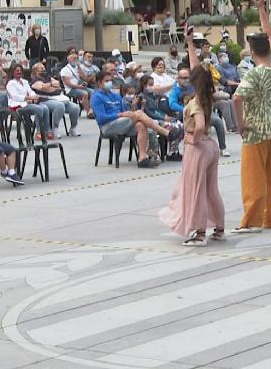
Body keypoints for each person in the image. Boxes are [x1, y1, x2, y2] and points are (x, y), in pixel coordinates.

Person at [159, 37, 225, 246]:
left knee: (195, 190)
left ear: (194, 81)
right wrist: (190, 45)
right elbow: (199, 70)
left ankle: (199, 233)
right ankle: (219, 228)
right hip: (211, 145)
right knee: (211, 189)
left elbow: (198, 125)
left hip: (198, 146)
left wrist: (193, 140)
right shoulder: (206, 96)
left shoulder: (196, 102)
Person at [231, 0, 271, 233]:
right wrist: (262, 9)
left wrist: (240, 124)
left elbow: (236, 98)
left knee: (254, 177)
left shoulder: (253, 75)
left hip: (255, 129)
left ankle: (252, 219)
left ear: (251, 52)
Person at [91, 70, 172, 169]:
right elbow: (101, 118)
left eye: (111, 81)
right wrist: (120, 114)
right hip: (108, 125)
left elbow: (126, 113)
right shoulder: (96, 97)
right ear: (99, 83)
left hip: (121, 123)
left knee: (140, 124)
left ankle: (142, 159)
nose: (110, 83)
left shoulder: (115, 96)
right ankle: (165, 131)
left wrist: (129, 111)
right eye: (107, 81)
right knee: (138, 114)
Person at [138, 75, 183, 160]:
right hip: (150, 120)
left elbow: (157, 109)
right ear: (144, 85)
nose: (152, 86)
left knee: (179, 126)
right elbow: (149, 113)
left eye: (153, 84)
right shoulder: (141, 97)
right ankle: (153, 153)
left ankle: (173, 151)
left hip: (159, 118)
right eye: (150, 84)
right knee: (156, 129)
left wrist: (165, 115)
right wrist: (163, 118)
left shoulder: (153, 96)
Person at [30, 62, 81, 137]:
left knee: (75, 107)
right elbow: (45, 89)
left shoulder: (48, 77)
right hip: (44, 100)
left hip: (57, 98)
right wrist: (51, 86)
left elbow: (58, 84)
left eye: (44, 68)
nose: (44, 69)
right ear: (36, 71)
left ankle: (73, 128)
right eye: (41, 68)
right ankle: (55, 128)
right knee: (59, 106)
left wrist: (50, 86)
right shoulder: (35, 80)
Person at [6, 63, 53, 141]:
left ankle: (47, 131)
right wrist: (29, 98)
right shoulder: (10, 84)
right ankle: (39, 132)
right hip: (17, 105)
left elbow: (31, 91)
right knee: (39, 109)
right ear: (12, 72)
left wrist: (34, 97)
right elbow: (15, 97)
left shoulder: (24, 81)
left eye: (20, 70)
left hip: (28, 102)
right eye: (17, 70)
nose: (19, 72)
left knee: (45, 107)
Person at [61, 51, 93, 117]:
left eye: (76, 58)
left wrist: (79, 67)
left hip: (79, 86)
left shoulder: (77, 68)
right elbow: (68, 84)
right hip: (71, 89)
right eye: (73, 58)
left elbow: (84, 78)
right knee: (85, 93)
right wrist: (79, 87)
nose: (75, 60)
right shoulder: (65, 70)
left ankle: (92, 110)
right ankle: (88, 112)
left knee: (93, 92)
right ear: (69, 60)